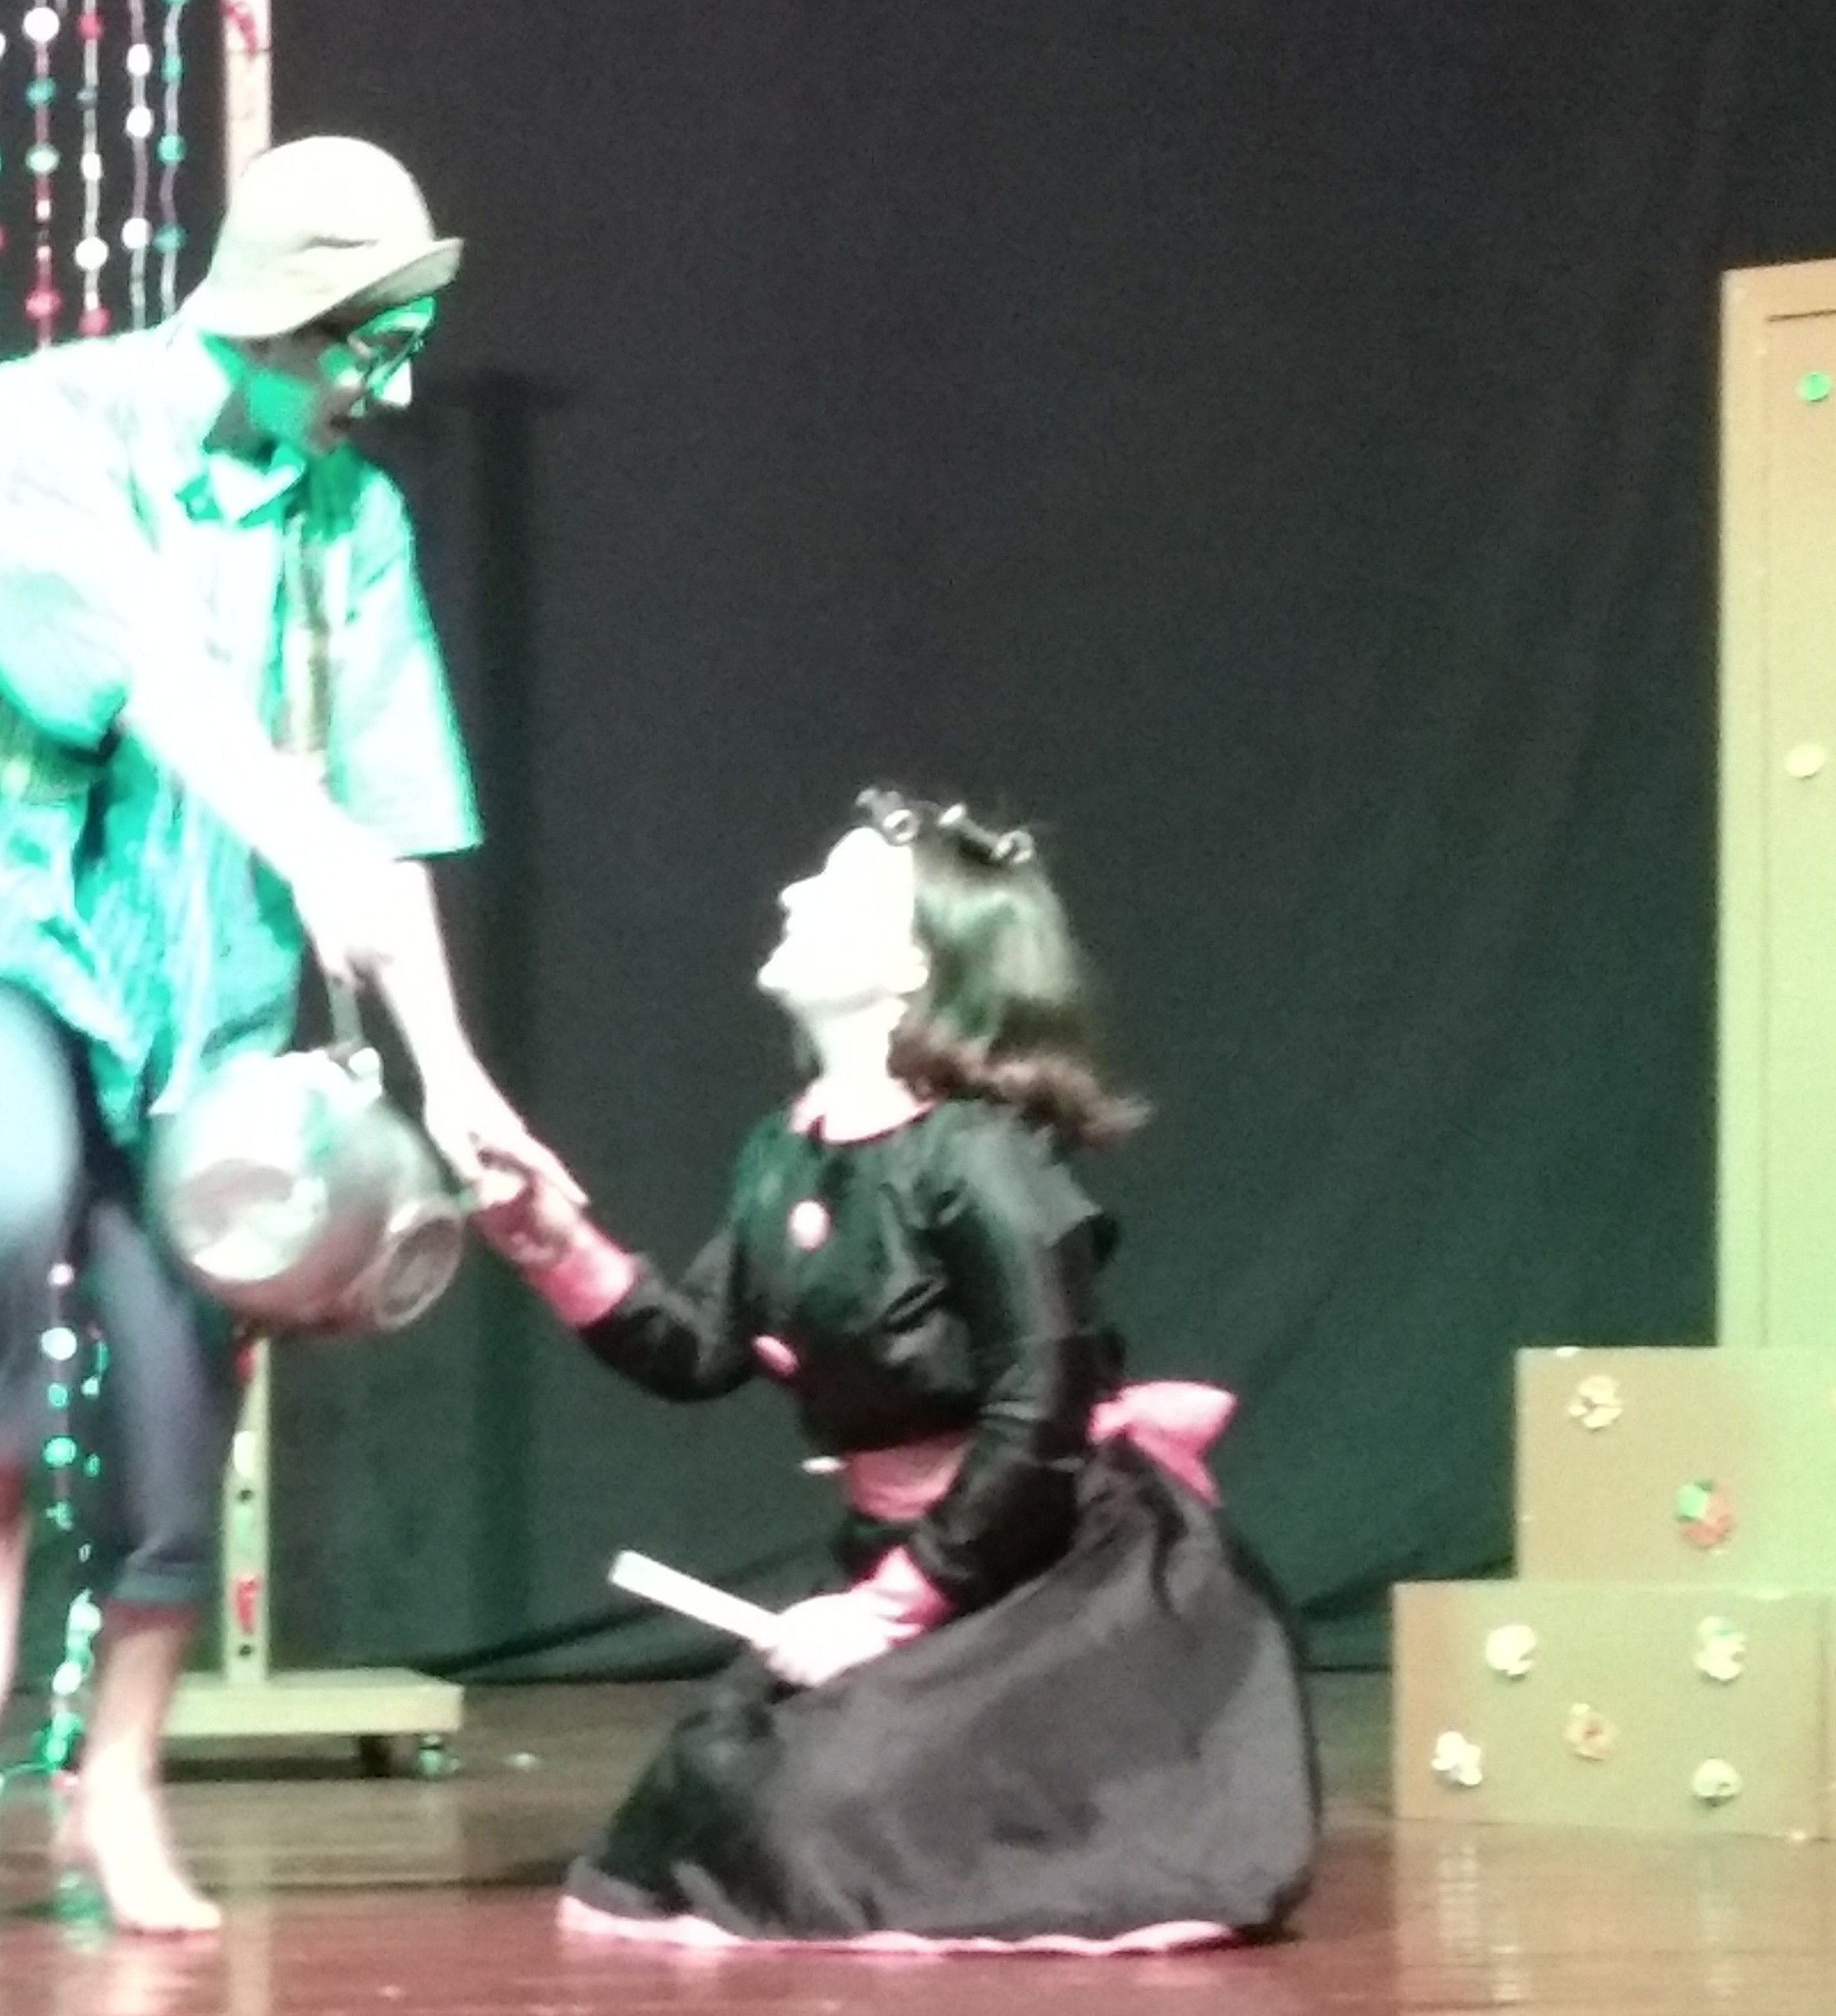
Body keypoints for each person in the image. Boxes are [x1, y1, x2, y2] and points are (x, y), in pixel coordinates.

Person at [0, 136, 544, 1935]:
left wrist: (456, 1077)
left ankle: (116, 1784)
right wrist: (302, 836)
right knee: (1, 1190)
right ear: (276, 316)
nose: (386, 385)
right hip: (1, 928)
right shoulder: (46, 422)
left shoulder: (351, 526)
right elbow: (133, 677)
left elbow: (386, 820)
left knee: (179, 1400)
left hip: (207, 1021)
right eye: (365, 344)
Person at [475, 791, 1318, 1952]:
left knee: (825, 1822)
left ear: (914, 964)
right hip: (917, 1559)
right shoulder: (787, 1150)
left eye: (835, 885)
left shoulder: (977, 1160)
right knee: (716, 1785)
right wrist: (553, 1243)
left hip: (1052, 1572)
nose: (791, 894)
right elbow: (700, 1348)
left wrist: (890, 1607)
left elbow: (1041, 1412)